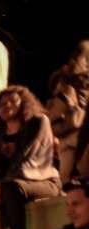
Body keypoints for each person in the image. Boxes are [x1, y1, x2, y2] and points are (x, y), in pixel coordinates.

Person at [0, 86, 62, 229]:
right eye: (2, 103)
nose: (6, 105)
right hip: (7, 185)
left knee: (11, 188)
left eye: (12, 101)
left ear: (24, 103)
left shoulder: (38, 122)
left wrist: (1, 187)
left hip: (43, 181)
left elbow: (26, 158)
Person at [48, 42, 89, 182]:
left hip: (71, 135)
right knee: (66, 178)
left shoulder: (69, 83)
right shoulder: (66, 83)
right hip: (69, 134)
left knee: (68, 176)